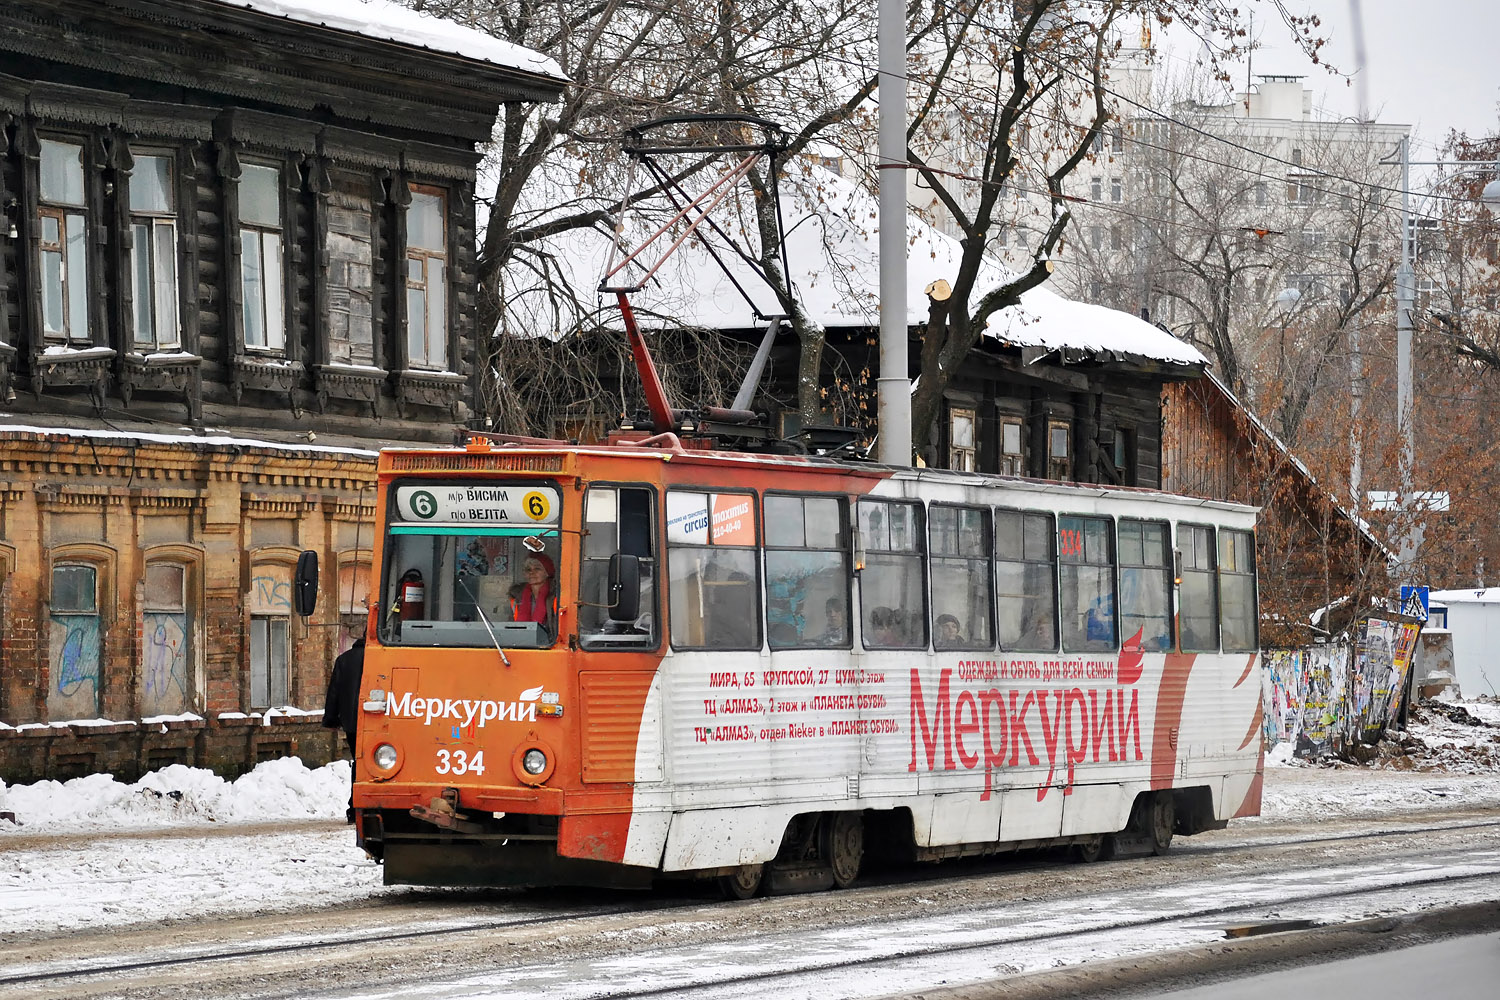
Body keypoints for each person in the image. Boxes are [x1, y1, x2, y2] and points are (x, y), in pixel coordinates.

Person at [321, 628, 364, 824]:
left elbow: (334, 692)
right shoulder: (385, 658)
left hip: (352, 723)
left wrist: (331, 719)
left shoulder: (344, 660)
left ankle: (355, 807)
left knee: (359, 762)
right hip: (382, 722)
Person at [509, 553, 557, 631]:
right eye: (528, 569)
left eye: (537, 569)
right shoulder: (517, 598)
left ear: (547, 572)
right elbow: (510, 627)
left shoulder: (556, 596)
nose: (531, 572)